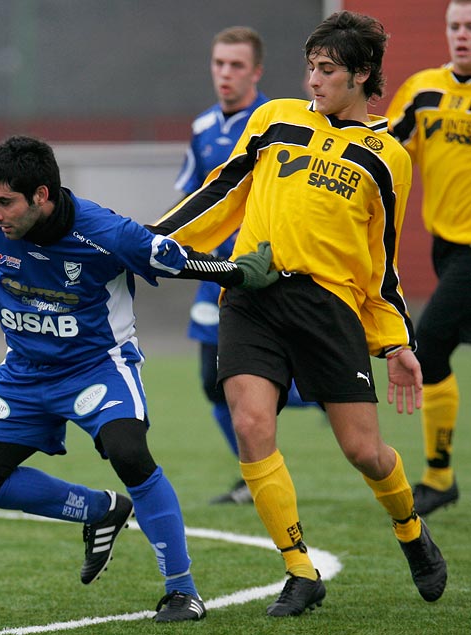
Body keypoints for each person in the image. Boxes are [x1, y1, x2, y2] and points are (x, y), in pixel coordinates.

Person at [148, 11, 447, 617]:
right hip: (252, 297)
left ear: (362, 75)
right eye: (311, 67)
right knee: (251, 423)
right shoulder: (274, 118)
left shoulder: (387, 157)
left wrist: (395, 344)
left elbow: (380, 263)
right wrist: (149, 241)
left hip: (328, 309)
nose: (314, 80)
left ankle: (411, 529)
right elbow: (221, 190)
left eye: (328, 70)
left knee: (365, 452)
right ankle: (299, 569)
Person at [0, 135, 278, 622]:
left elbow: (174, 259)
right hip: (22, 372)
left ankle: (181, 591)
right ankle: (99, 511)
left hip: (96, 368)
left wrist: (238, 273)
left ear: (42, 195)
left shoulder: (106, 233)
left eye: (5, 202)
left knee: (130, 453)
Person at [176, 26, 312, 505]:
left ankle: (323, 393)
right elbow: (194, 200)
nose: (225, 74)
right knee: (212, 386)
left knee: (243, 381)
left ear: (256, 71)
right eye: (219, 64)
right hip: (209, 275)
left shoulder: (281, 124)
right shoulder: (202, 129)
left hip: (259, 276)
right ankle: (254, 478)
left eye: (236, 65)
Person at [385, 0, 471, 517]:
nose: (462, 35)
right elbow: (388, 149)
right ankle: (441, 476)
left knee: (431, 342)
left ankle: (439, 478)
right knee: (437, 348)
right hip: (447, 245)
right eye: (455, 26)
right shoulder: (423, 90)